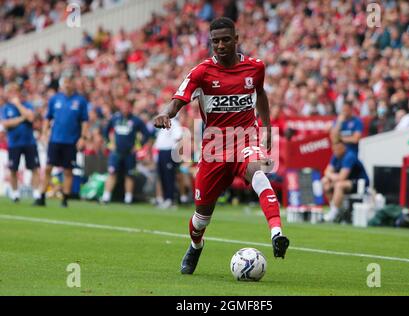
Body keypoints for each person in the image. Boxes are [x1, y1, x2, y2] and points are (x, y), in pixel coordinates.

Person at [153, 17, 289, 275]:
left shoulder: (255, 68)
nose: (220, 45)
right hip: (214, 148)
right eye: (215, 41)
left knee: (259, 173)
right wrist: (166, 115)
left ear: (236, 40)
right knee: (201, 216)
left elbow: (260, 93)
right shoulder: (201, 72)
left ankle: (277, 234)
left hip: (245, 139)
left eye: (226, 39)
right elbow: (177, 100)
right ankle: (195, 245)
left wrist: (267, 126)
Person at [35, 77, 89, 208]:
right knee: (48, 168)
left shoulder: (80, 101)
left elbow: (84, 121)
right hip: (55, 139)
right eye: (66, 82)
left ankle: (65, 199)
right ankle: (41, 196)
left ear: (74, 83)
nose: (67, 84)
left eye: (70, 81)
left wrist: (83, 137)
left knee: (68, 171)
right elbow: (48, 118)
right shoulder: (55, 99)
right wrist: (44, 132)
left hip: (70, 141)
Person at [101, 99, 151, 204]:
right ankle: (106, 196)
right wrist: (109, 143)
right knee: (112, 173)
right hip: (116, 152)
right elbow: (105, 131)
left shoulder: (136, 120)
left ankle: (128, 198)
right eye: (123, 106)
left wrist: (138, 146)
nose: (125, 109)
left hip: (129, 153)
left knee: (130, 175)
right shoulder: (115, 118)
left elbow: (146, 134)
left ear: (130, 108)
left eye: (127, 106)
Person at [1, 83, 41, 203]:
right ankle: (15, 193)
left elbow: (31, 118)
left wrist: (18, 105)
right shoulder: (5, 108)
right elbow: (6, 123)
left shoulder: (27, 104)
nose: (13, 94)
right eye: (11, 92)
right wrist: (21, 118)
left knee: (34, 168)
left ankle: (36, 193)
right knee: (13, 169)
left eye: (15, 91)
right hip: (14, 143)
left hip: (29, 142)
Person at [321, 139, 369, 222]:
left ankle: (333, 213)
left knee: (339, 185)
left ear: (343, 147)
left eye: (337, 149)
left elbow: (342, 177)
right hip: (345, 181)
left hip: (360, 183)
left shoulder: (350, 156)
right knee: (325, 181)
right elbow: (326, 171)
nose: (335, 151)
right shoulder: (336, 156)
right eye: (334, 149)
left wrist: (332, 176)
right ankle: (336, 210)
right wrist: (332, 177)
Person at [153, 116, 183, 208]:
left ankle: (170, 199)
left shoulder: (174, 123)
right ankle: (165, 198)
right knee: (162, 176)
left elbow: (178, 137)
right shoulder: (163, 123)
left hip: (169, 151)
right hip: (161, 151)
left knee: (169, 176)